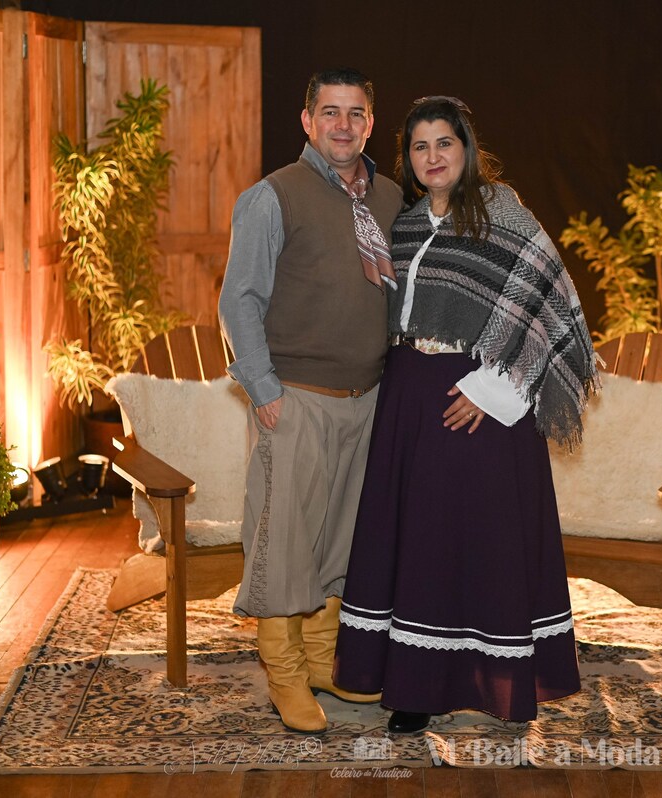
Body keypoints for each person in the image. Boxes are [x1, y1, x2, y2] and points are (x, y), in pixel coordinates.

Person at [332, 96, 600, 733]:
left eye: (444, 143)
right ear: (408, 158)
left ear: (466, 148)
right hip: (408, 399)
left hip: (478, 399)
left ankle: (498, 681)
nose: (433, 157)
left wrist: (492, 388)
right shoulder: (402, 224)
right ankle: (415, 688)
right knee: (419, 542)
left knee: (482, 541)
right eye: (420, 147)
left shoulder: (501, 211)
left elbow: (549, 301)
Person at [218, 67, 403, 734]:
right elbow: (238, 301)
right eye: (330, 112)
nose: (342, 125)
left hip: (368, 398)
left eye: (355, 113)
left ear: (371, 123)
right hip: (295, 398)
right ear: (307, 120)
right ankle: (285, 672)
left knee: (341, 538)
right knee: (285, 539)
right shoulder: (273, 197)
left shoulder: (389, 197)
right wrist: (265, 392)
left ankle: (324, 658)